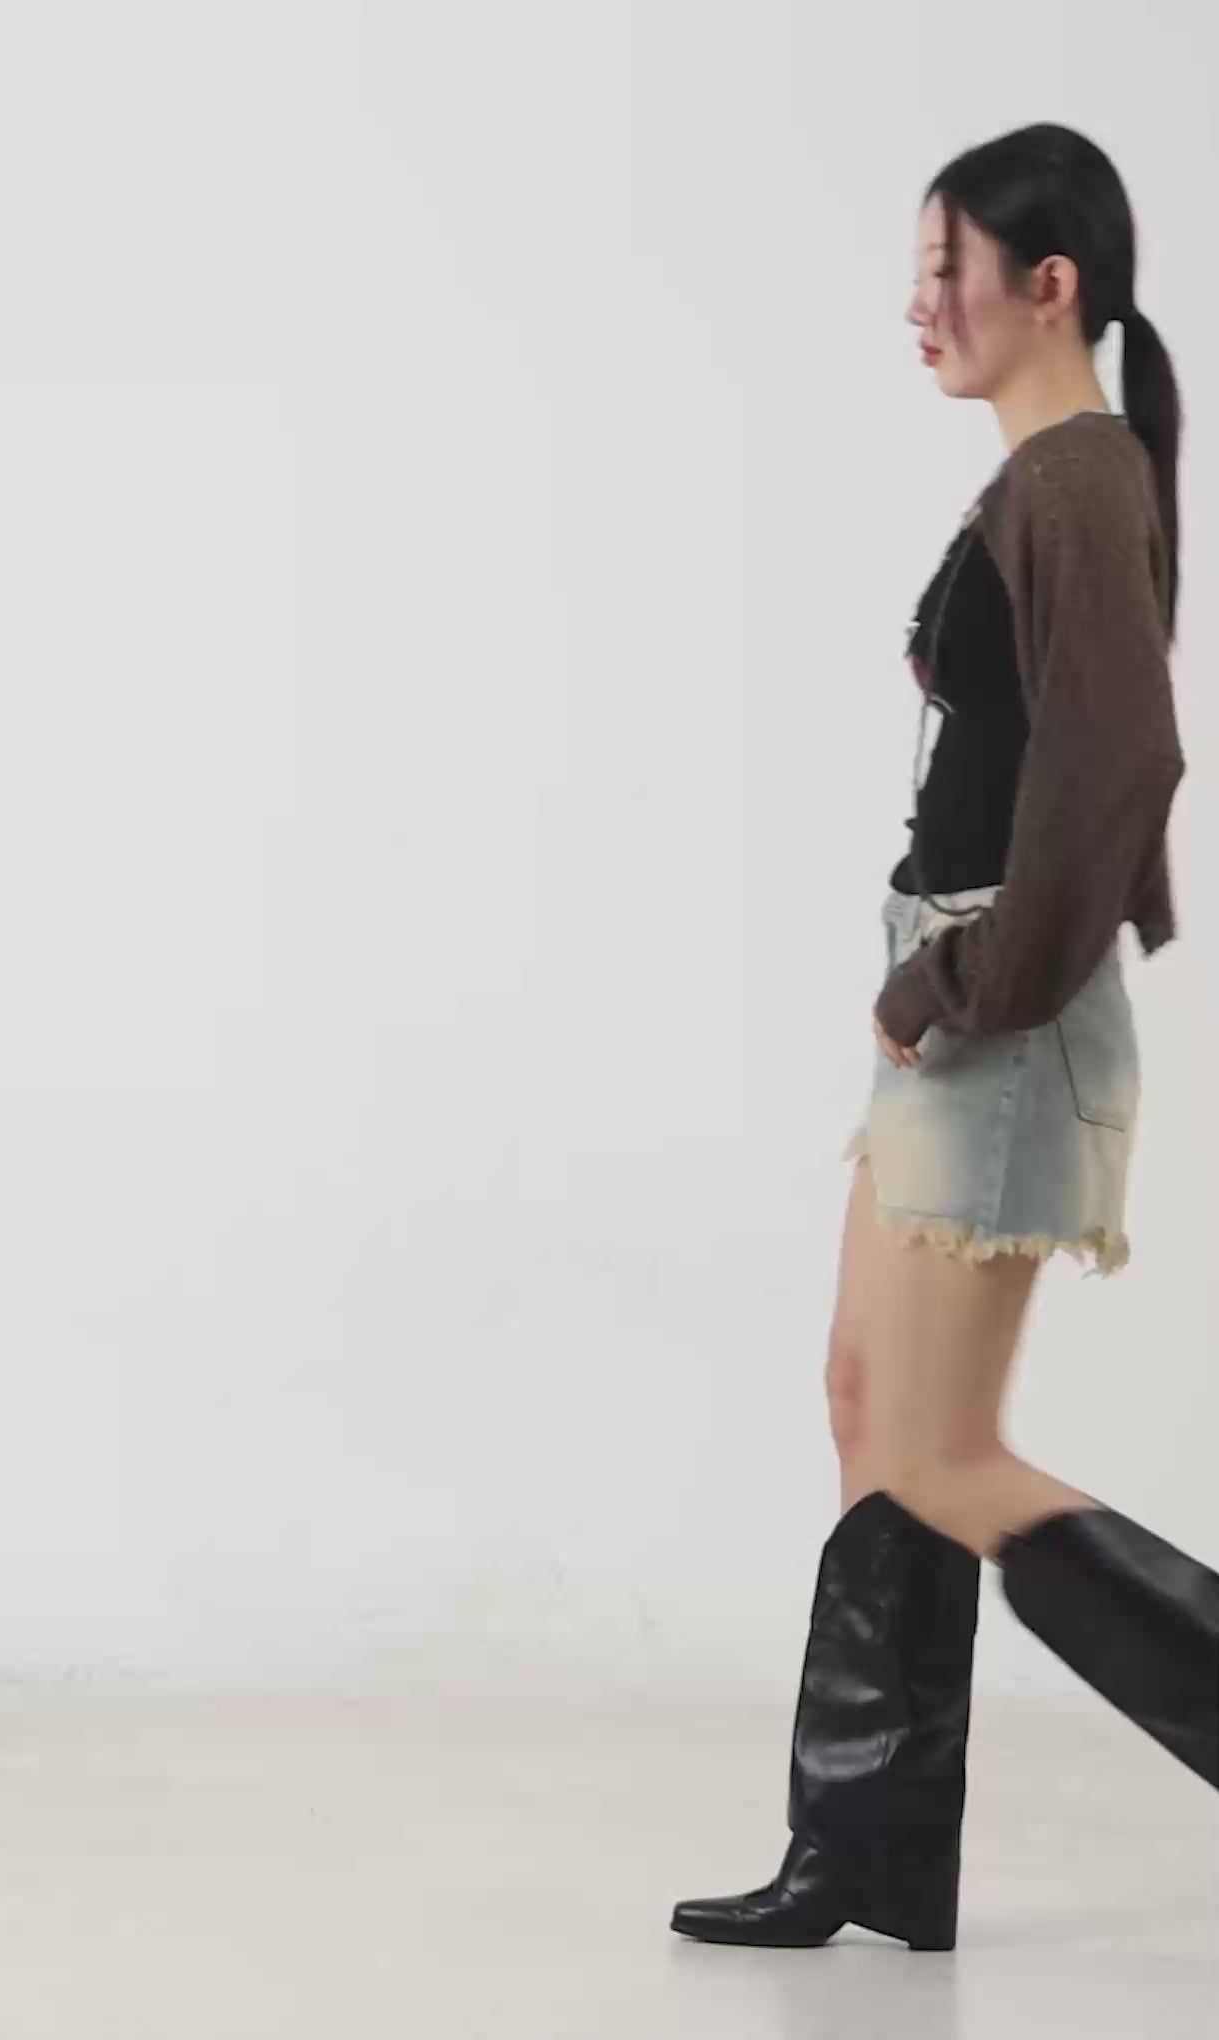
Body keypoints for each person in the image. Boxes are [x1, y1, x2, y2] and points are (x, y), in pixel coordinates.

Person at [669, 123, 1219, 1954]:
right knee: (868, 1402)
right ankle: (871, 1855)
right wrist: (936, 979)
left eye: (944, 269)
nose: (919, 305)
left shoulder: (1077, 481)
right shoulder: (1055, 474)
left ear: (1046, 287)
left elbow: (1120, 774)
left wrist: (955, 990)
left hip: (1001, 1011)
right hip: (965, 992)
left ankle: (878, 1848)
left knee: (937, 1448)